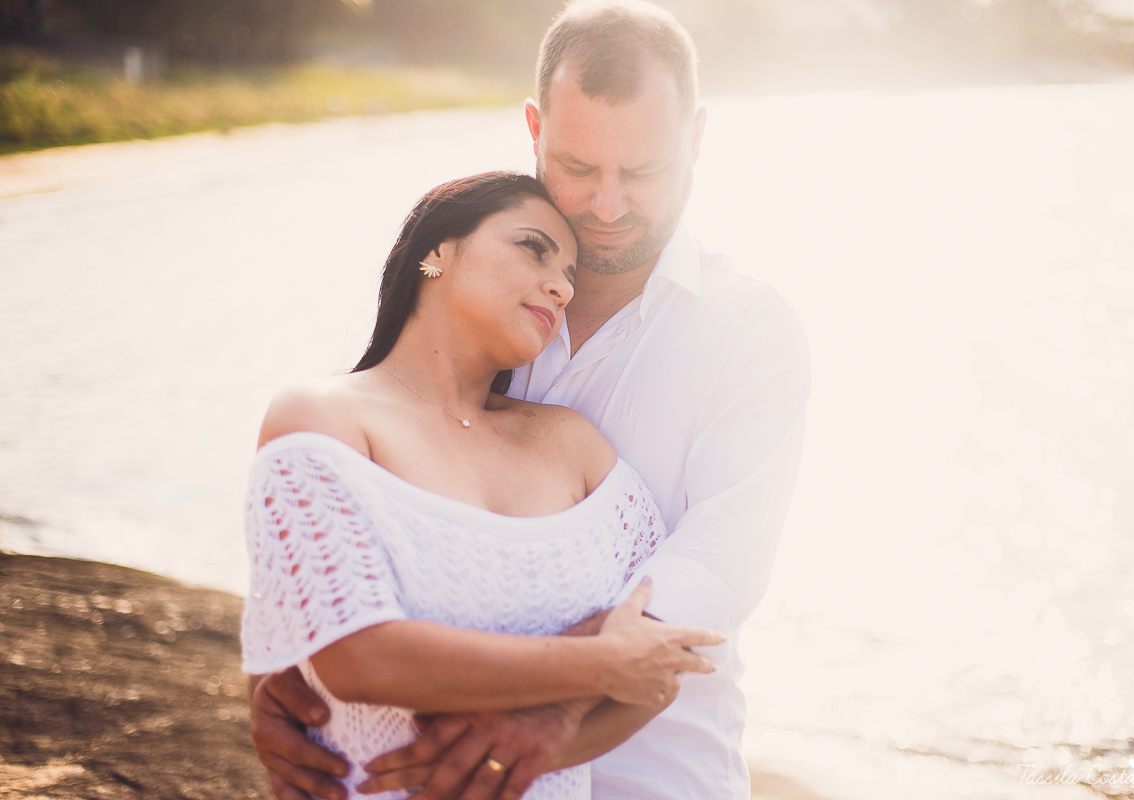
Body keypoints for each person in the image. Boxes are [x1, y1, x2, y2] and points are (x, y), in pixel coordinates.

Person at [250, 2, 811, 800]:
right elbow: (352, 497)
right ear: (534, 128)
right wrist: (290, 662)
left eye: (643, 172)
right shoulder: (469, 289)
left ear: (696, 138)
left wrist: (560, 703)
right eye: (578, 168)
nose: (609, 205)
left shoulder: (748, 329)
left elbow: (725, 558)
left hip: (658, 771)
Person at [242, 171, 726, 800]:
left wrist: (526, 753)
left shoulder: (575, 446)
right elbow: (358, 656)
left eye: (571, 274)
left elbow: (663, 663)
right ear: (437, 251)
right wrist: (600, 662)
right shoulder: (322, 415)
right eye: (533, 248)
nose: (560, 284)